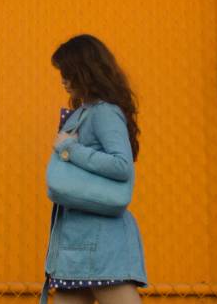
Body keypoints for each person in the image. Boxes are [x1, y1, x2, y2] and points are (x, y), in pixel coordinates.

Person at [42, 34, 149, 304]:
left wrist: (70, 149)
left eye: (68, 73)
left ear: (85, 72)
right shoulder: (83, 113)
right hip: (77, 240)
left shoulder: (104, 112)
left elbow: (121, 164)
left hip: (101, 243)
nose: (63, 80)